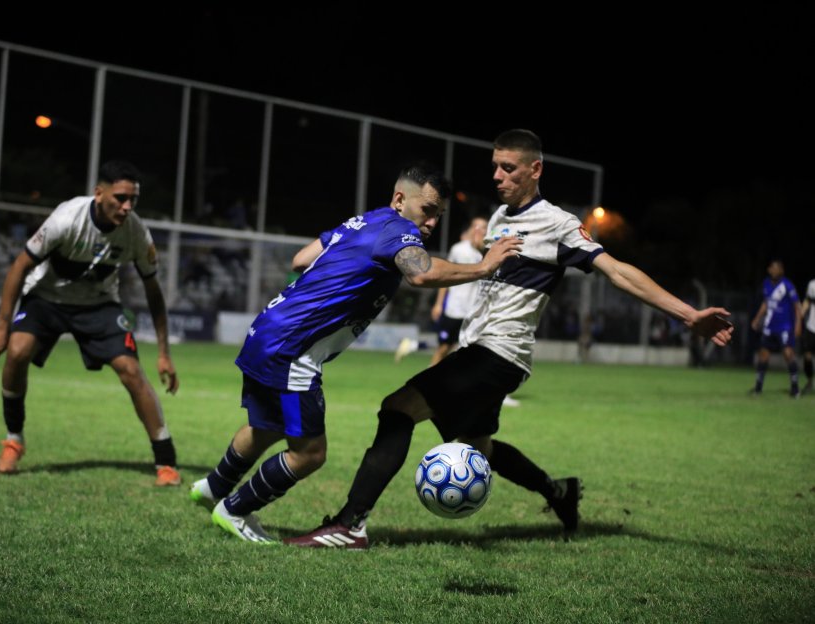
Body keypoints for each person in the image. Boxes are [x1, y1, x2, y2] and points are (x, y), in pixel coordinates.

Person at [284, 129, 734, 549]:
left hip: (499, 353)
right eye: (495, 167)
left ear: (535, 170)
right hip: (477, 347)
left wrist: (687, 313)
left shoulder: (557, 224)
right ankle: (558, 491)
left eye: (508, 168)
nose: (497, 176)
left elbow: (616, 272)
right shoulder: (500, 217)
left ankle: (349, 525)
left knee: (397, 408)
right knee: (478, 446)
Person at [188, 163, 521, 543]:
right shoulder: (398, 230)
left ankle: (213, 487)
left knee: (267, 426)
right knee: (310, 454)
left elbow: (301, 259)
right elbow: (421, 273)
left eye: (439, 215)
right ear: (400, 199)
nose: (431, 222)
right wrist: (484, 266)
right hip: (292, 352)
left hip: (266, 332)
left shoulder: (365, 221)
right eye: (427, 210)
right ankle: (234, 509)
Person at [0, 160, 182, 486]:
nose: (127, 206)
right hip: (46, 298)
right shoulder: (66, 219)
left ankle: (166, 463)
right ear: (99, 193)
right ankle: (13, 441)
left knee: (131, 370)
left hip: (99, 304)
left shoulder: (136, 232)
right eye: (120, 198)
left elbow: (153, 291)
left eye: (133, 200)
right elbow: (20, 266)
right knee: (17, 352)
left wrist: (164, 353)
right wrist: (2, 326)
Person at [428, 216, 488, 366]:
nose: (479, 230)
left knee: (466, 351)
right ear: (470, 229)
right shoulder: (458, 249)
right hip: (454, 309)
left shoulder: (489, 253)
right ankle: (429, 374)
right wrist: (438, 304)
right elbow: (446, 278)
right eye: (476, 226)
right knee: (443, 347)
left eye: (483, 227)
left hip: (474, 312)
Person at [749, 260, 802, 397]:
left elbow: (797, 306)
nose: (774, 270)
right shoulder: (766, 284)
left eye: (777, 268)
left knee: (788, 354)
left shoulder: (787, 285)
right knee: (763, 355)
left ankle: (795, 388)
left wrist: (798, 324)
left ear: (781, 271)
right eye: (772, 268)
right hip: (769, 326)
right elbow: (766, 303)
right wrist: (757, 319)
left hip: (785, 327)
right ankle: (758, 388)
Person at [801, 278, 815, 394]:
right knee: (807, 356)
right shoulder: (812, 284)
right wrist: (800, 313)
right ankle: (810, 381)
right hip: (812, 326)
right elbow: (808, 301)